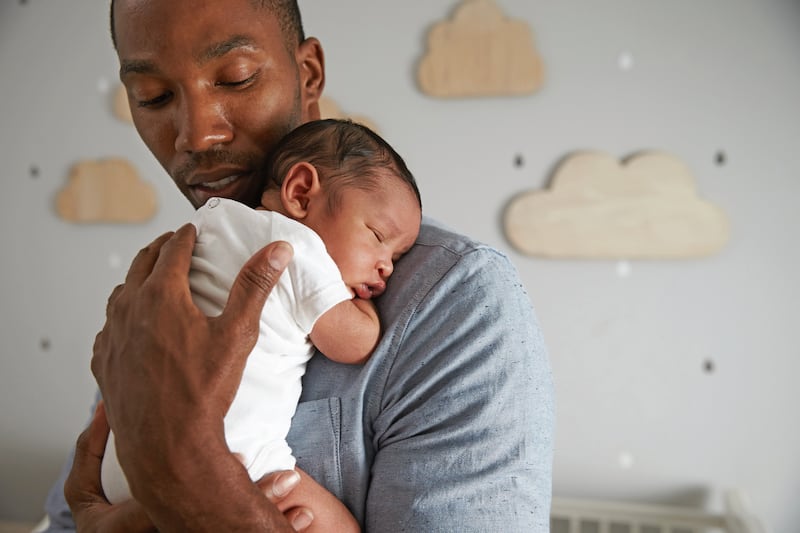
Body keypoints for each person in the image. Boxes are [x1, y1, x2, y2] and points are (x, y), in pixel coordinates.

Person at [42, 0, 555, 531]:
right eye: (154, 96)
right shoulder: (165, 284)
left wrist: (196, 478)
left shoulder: (455, 302)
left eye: (236, 79)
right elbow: (74, 510)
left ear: (307, 74)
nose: (196, 135)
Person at [100, 118, 422, 519]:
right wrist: (362, 305)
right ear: (301, 193)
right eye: (377, 236)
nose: (386, 268)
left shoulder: (210, 223)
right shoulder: (298, 247)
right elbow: (355, 344)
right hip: (234, 459)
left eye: (395, 258)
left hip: (122, 465)